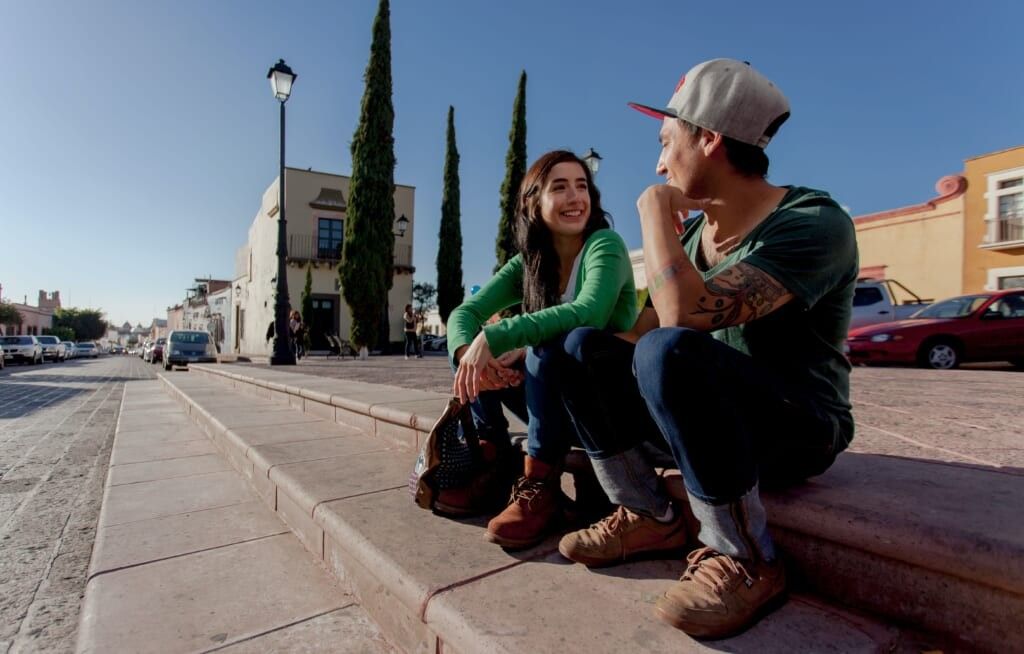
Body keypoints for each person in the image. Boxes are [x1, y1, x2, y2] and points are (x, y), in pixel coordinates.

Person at [555, 59, 858, 639]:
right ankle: (648, 513)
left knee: (670, 351)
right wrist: (531, 341)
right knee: (578, 349)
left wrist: (649, 210)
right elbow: (640, 325)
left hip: (801, 428)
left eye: (667, 143)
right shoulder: (694, 236)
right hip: (712, 421)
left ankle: (747, 557)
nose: (660, 162)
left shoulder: (814, 222)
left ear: (710, 139)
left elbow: (680, 319)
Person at [442, 149, 638, 549]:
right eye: (560, 187)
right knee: (483, 357)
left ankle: (540, 485)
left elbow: (589, 312)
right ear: (533, 202)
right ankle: (492, 459)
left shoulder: (606, 246)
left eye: (582, 186)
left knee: (545, 348)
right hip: (555, 398)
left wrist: (501, 337)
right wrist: (469, 353)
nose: (575, 197)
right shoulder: (530, 263)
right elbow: (466, 313)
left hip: (608, 406)